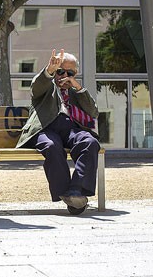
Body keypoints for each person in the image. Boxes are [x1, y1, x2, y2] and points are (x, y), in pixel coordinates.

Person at [17, 49, 100, 215]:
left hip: (71, 129)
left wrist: (77, 87)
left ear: (75, 73)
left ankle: (77, 191)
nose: (63, 76)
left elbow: (93, 112)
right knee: (52, 146)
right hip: (45, 128)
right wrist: (49, 71)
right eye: (60, 71)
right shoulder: (46, 86)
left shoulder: (75, 90)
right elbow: (36, 86)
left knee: (90, 142)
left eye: (69, 73)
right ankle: (68, 195)